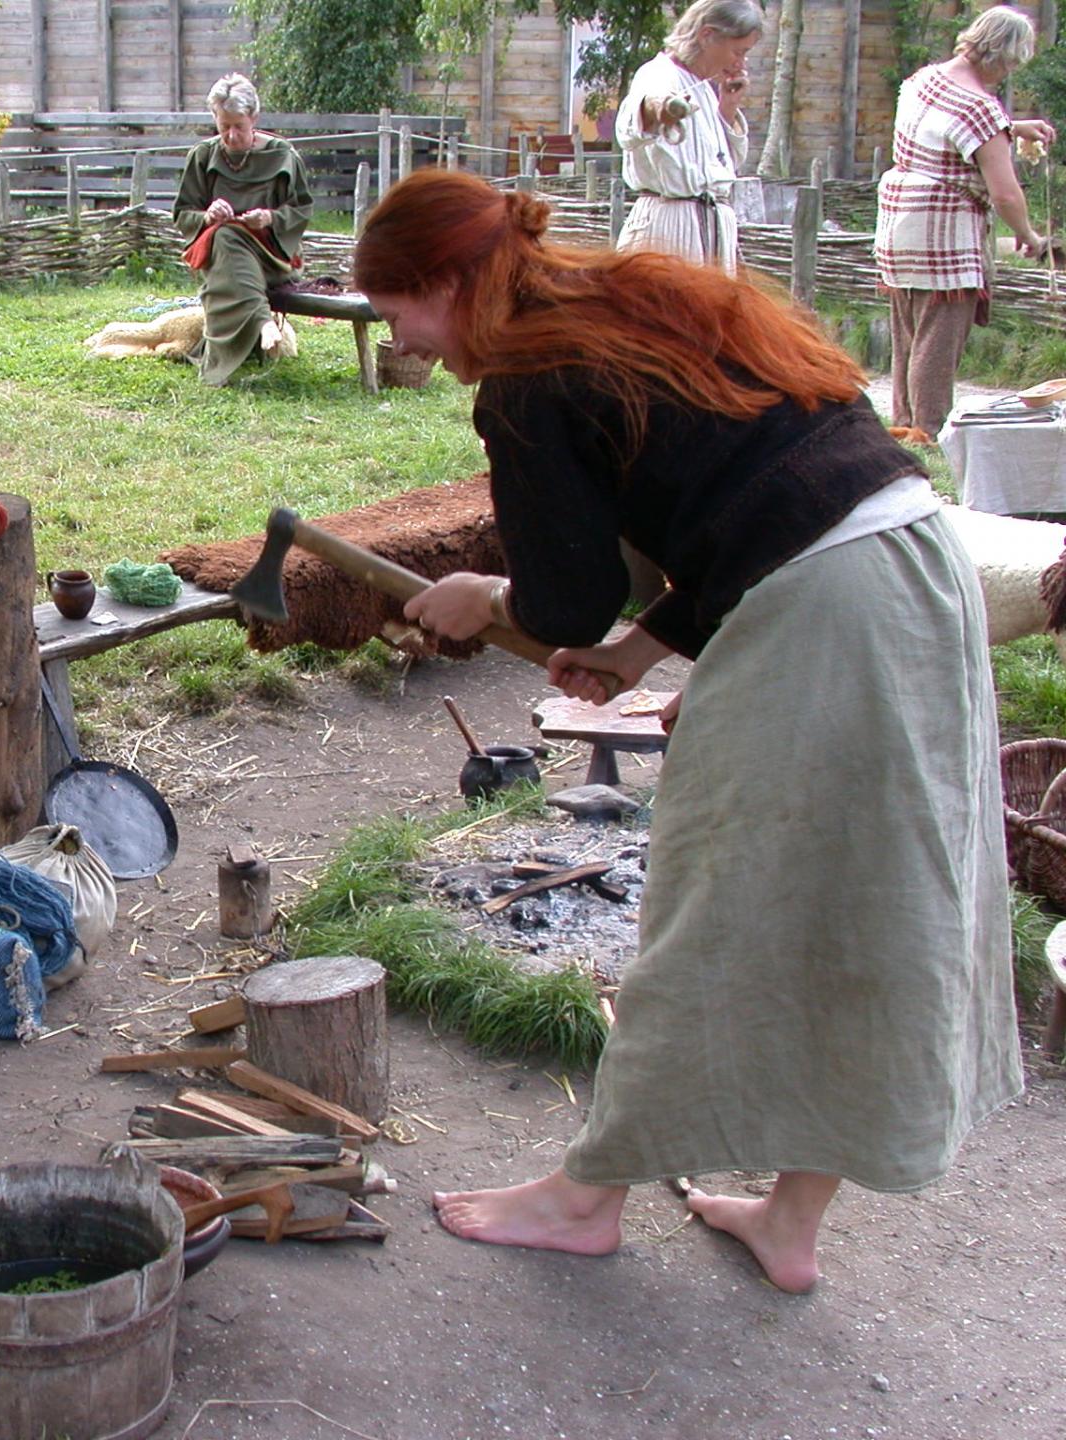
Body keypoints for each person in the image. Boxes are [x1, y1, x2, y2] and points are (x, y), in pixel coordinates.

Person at [356, 168, 1020, 1294]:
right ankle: (790, 1222)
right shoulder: (642, 296)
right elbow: (754, 490)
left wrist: (483, 594)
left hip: (829, 605)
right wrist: (640, 649)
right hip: (914, 566)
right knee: (865, 896)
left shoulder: (525, 375)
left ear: (451, 281)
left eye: (397, 310)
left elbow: (560, 599)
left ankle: (583, 1200)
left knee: (711, 896)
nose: (403, 340)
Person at [875, 6, 1055, 437]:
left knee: (909, 333)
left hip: (900, 225)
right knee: (938, 340)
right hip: (944, 233)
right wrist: (1028, 235)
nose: (1008, 72)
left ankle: (903, 424)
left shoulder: (925, 80)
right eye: (1011, 62)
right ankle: (929, 431)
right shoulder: (980, 109)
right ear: (997, 53)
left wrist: (1012, 127)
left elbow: (946, 128)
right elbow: (1005, 193)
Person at [172, 73, 314, 386]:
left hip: (272, 259)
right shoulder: (203, 156)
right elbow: (183, 215)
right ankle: (263, 322)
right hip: (224, 255)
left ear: (254, 118)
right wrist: (208, 216)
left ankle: (256, 327)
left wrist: (270, 219)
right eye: (224, 127)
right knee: (225, 234)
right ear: (215, 120)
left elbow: (302, 210)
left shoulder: (283, 156)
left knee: (228, 238)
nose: (232, 136)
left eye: (239, 126)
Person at [614, 0, 764, 273]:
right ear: (707, 35)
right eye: (737, 52)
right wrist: (660, 108)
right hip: (669, 230)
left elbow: (723, 165)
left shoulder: (705, 89)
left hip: (709, 230)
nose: (740, 63)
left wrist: (728, 108)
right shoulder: (659, 74)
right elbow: (629, 125)